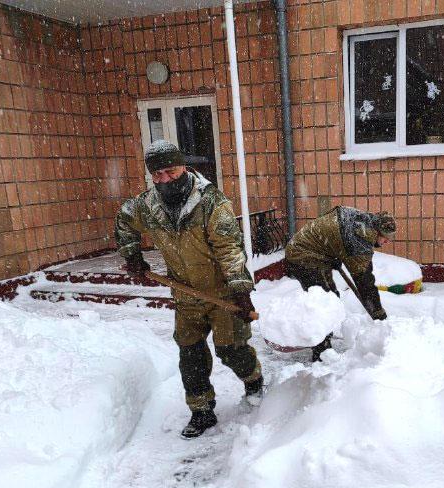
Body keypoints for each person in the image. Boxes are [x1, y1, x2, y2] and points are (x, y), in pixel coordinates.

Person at [115, 140, 263, 439]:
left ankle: (254, 380)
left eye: (171, 171)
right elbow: (124, 220)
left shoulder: (211, 203)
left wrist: (240, 288)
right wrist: (132, 255)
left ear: (184, 167)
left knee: (231, 350)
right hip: (185, 294)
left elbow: (229, 248)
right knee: (190, 354)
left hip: (221, 294)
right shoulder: (147, 205)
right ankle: (201, 410)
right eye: (157, 175)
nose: (165, 179)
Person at [283, 206, 397, 361]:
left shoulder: (362, 220)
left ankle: (321, 338)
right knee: (324, 302)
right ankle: (321, 352)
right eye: (385, 238)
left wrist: (335, 251)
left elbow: (335, 217)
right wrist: (379, 315)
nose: (386, 242)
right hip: (304, 256)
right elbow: (365, 283)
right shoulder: (359, 243)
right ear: (376, 231)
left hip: (312, 249)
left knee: (330, 298)